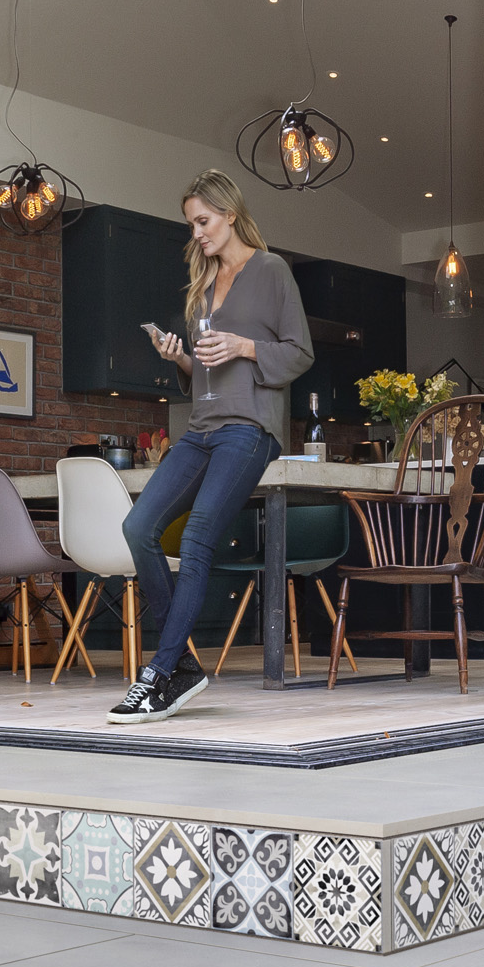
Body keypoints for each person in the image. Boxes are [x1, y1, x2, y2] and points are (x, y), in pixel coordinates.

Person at [108, 170, 313, 722]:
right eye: (191, 224)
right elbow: (202, 368)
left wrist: (247, 345)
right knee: (138, 528)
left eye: (203, 221)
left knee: (197, 537)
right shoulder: (202, 285)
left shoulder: (272, 272)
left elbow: (299, 353)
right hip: (200, 429)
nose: (196, 233)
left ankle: (157, 674)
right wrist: (178, 356)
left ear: (229, 214)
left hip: (249, 429)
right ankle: (184, 668)